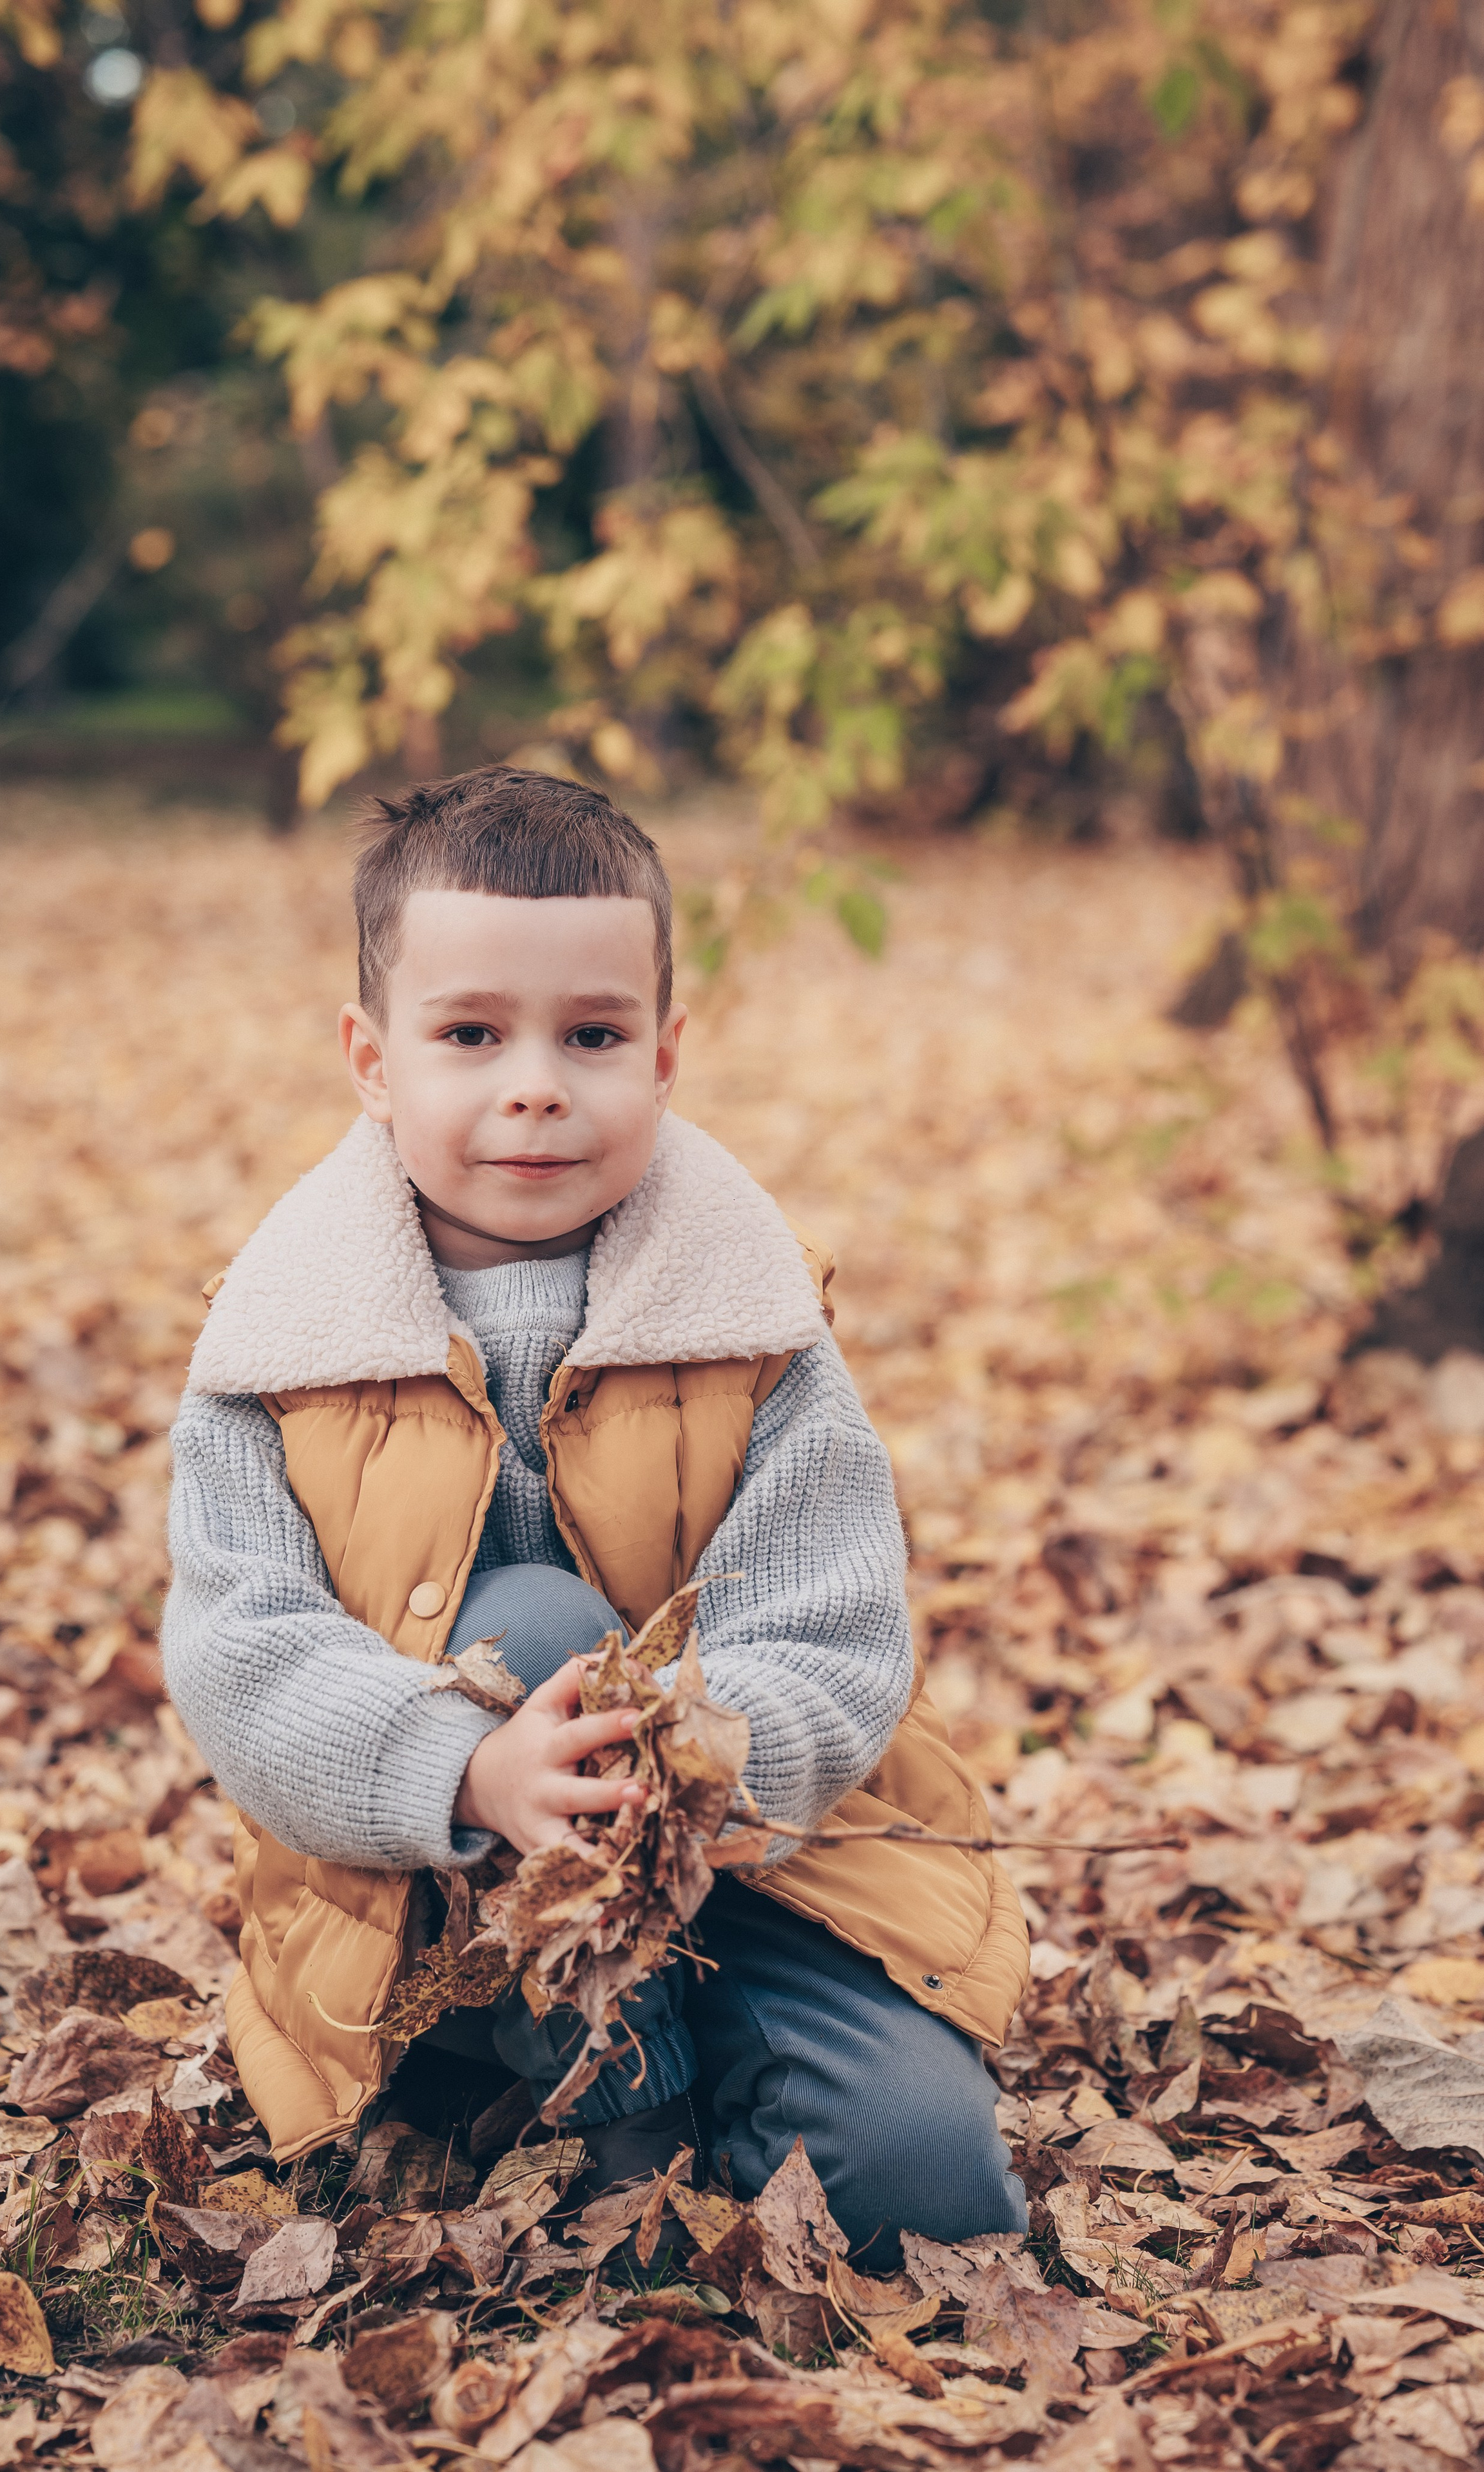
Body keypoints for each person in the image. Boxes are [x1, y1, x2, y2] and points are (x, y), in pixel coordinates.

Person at [162, 765, 1028, 2259]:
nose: (535, 1085)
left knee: (925, 2185)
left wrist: (692, 1764)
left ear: (665, 1053)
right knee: (535, 1625)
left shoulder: (755, 1323)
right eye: (470, 1035)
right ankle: (616, 2100)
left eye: (592, 1035)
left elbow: (831, 1622)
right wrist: (468, 1768)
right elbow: (244, 1653)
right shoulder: (278, 1344)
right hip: (432, 1900)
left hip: (747, 1869)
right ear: (372, 1060)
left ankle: (699, 2080)